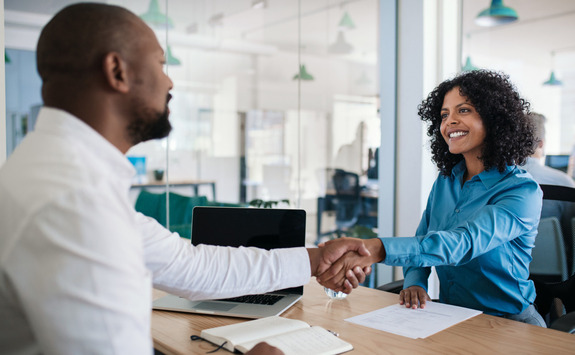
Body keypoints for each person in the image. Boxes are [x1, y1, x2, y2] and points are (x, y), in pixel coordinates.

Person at [0, 4, 370, 354]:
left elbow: (192, 267)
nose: (169, 80)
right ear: (117, 71)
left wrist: (317, 258)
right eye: (160, 63)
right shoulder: (75, 204)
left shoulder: (46, 173)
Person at [318, 70, 547, 327]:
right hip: (452, 317)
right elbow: (424, 237)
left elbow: (462, 243)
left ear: (494, 118)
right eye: (444, 114)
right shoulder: (447, 180)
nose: (450, 122)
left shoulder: (521, 191)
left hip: (509, 323)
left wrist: (374, 249)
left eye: (464, 110)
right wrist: (415, 281)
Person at [522, 112, 575, 275]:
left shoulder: (496, 181)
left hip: (509, 273)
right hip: (558, 275)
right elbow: (570, 233)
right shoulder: (564, 182)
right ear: (541, 144)